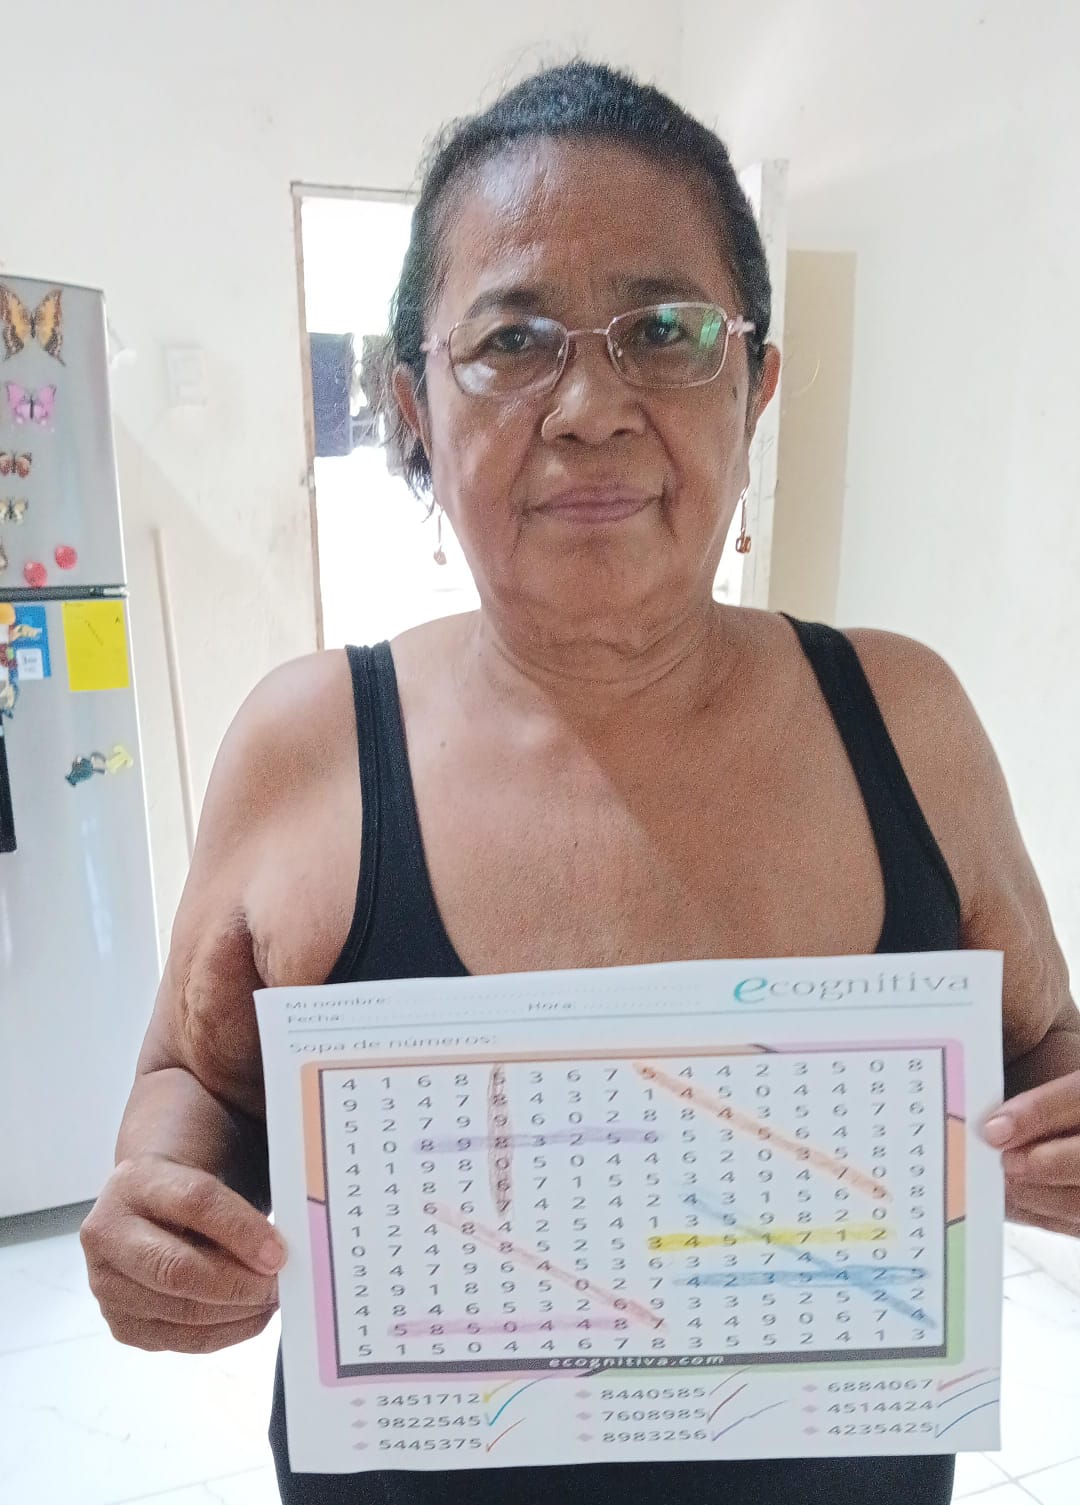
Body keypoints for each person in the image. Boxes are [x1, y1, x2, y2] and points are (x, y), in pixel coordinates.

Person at [80, 59, 1079, 1505]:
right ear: (414, 406)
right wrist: (162, 1213)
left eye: (665, 331)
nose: (592, 405)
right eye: (514, 340)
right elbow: (195, 1078)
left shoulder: (903, 718)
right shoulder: (309, 744)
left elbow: (1041, 1039)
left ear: (754, 384)